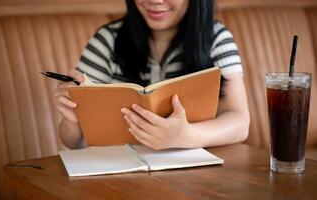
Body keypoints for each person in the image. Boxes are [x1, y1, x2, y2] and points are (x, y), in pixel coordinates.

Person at [53, 0, 250, 150]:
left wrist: (187, 136)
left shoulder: (215, 39)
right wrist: (72, 120)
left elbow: (240, 122)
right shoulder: (107, 40)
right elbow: (71, 142)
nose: (155, 0)